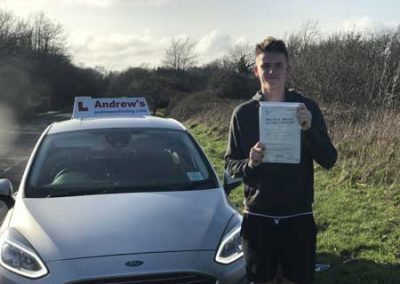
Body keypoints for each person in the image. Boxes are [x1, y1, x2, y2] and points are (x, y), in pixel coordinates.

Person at [224, 37, 337, 284]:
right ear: (256, 70)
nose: (272, 71)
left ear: (288, 69)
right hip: (257, 219)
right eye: (265, 66)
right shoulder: (242, 114)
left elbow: (329, 159)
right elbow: (231, 167)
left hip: (298, 217)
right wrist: (250, 163)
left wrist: (308, 129)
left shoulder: (306, 108)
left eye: (278, 65)